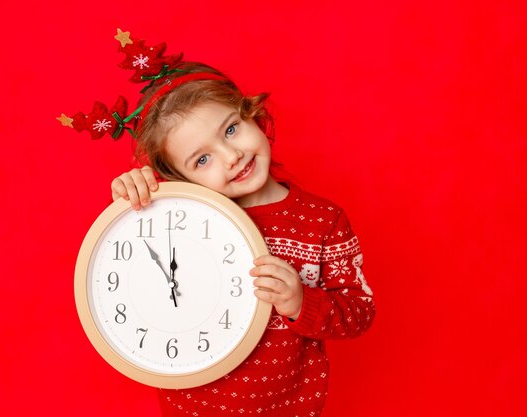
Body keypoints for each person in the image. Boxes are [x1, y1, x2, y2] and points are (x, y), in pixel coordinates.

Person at [109, 62, 375, 416]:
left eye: (231, 129)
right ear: (180, 177)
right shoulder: (180, 221)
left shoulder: (322, 220)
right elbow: (130, 268)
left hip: (290, 408)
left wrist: (302, 303)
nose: (231, 156)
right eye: (202, 159)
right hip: (192, 408)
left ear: (254, 115)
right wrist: (134, 195)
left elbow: (360, 312)